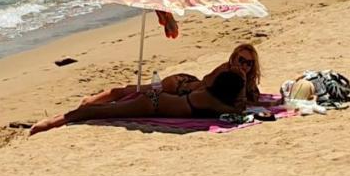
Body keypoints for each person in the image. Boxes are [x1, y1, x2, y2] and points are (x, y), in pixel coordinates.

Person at [30, 70, 246, 135]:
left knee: (107, 110)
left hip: (157, 101)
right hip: (154, 103)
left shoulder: (209, 95)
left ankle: (74, 113)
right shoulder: (211, 100)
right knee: (103, 113)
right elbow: (237, 112)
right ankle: (51, 123)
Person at [78, 43, 262, 109]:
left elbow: (249, 101)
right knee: (137, 91)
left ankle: (103, 102)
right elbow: (206, 82)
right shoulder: (225, 70)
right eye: (241, 59)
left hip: (187, 92)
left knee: (139, 96)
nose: (244, 65)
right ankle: (91, 100)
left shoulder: (247, 80)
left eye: (249, 63)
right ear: (233, 58)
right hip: (179, 86)